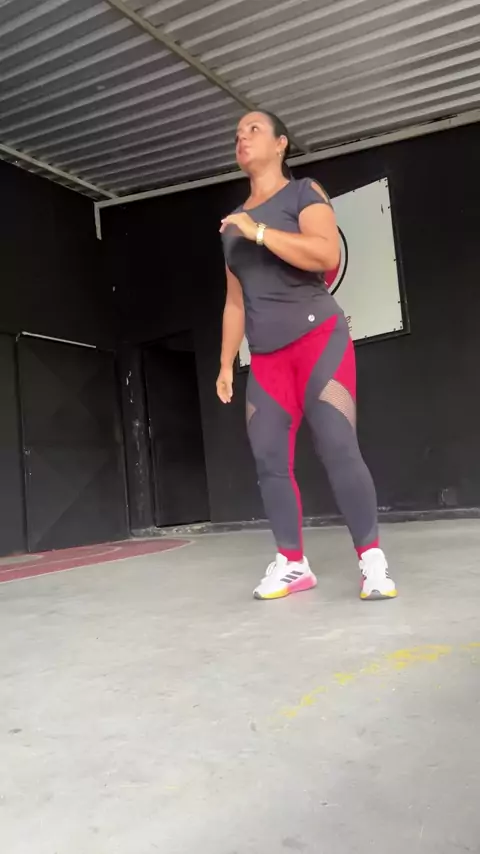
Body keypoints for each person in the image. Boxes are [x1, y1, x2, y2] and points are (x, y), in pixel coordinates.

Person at [217, 110, 397, 602]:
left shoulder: (303, 193)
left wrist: (259, 231)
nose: (242, 138)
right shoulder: (232, 224)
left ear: (281, 144)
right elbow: (235, 301)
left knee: (337, 445)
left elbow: (325, 254)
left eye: (253, 130)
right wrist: (226, 362)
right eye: (237, 134)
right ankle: (292, 564)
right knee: (269, 458)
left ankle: (372, 561)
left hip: (319, 340)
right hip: (267, 358)